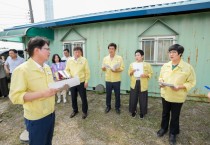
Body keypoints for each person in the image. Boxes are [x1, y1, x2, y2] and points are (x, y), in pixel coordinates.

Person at [9, 36, 59, 145]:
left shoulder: (46, 67)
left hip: (51, 113)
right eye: (47, 49)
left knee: (48, 142)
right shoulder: (22, 70)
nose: (50, 52)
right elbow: (15, 97)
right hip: (36, 118)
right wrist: (42, 94)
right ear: (37, 50)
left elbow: (48, 85)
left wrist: (58, 86)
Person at [157, 44, 196, 145]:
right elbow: (161, 77)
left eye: (174, 52)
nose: (171, 54)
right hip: (165, 94)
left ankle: (173, 133)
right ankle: (163, 128)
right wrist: (161, 82)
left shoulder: (188, 68)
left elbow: (191, 82)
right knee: (165, 113)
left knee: (175, 116)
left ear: (180, 54)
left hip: (178, 96)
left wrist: (180, 87)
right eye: (170, 52)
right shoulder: (166, 65)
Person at [65, 46, 90, 119]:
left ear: (81, 52)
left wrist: (86, 81)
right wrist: (69, 76)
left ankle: (85, 111)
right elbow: (66, 70)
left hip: (81, 82)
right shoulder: (70, 60)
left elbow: (87, 72)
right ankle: (75, 110)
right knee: (73, 97)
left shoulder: (84, 60)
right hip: (72, 81)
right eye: (76, 52)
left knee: (83, 97)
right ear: (73, 52)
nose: (77, 53)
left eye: (79, 52)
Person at [128, 49, 153, 118]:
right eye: (136, 55)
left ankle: (142, 112)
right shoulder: (132, 64)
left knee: (143, 98)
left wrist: (146, 75)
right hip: (134, 83)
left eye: (138, 55)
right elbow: (129, 73)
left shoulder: (147, 65)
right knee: (133, 98)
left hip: (143, 83)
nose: (137, 57)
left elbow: (151, 73)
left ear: (142, 56)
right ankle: (133, 111)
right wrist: (132, 72)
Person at [102, 43, 124, 114]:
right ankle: (108, 106)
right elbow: (103, 68)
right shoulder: (105, 58)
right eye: (110, 48)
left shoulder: (119, 58)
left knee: (117, 94)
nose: (111, 50)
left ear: (115, 49)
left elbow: (122, 68)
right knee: (108, 94)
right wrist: (103, 68)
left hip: (116, 79)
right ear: (108, 49)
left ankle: (117, 107)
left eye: (112, 49)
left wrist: (116, 70)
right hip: (108, 79)